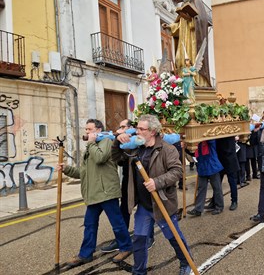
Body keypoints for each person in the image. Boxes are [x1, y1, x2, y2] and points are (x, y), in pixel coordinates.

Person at [111, 114, 192, 275]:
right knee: (139, 240)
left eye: (141, 129)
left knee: (174, 237)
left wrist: (157, 182)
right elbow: (116, 158)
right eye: (137, 128)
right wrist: (117, 140)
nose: (137, 132)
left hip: (162, 203)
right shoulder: (134, 147)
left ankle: (186, 263)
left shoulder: (167, 149)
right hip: (144, 205)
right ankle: (139, 271)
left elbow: (177, 171)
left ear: (153, 131)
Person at [57, 119, 133, 268]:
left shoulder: (106, 141)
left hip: (106, 192)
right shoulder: (90, 148)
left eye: (89, 129)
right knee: (89, 224)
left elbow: (100, 158)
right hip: (93, 193)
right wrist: (66, 169)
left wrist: (91, 142)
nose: (86, 132)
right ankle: (85, 254)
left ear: (98, 130)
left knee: (117, 223)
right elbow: (83, 172)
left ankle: (126, 247)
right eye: (85, 130)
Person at [101, 119, 155, 253]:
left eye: (123, 126)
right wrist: (117, 141)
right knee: (124, 210)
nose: (120, 129)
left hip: (144, 181)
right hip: (128, 181)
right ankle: (121, 240)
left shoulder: (140, 141)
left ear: (131, 128)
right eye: (120, 126)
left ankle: (149, 237)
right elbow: (118, 160)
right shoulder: (125, 143)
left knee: (148, 208)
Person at [162, 0, 210, 87]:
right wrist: (169, 26)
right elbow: (179, 26)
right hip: (184, 40)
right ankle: (184, 84)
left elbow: (202, 21)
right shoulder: (184, 5)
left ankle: (196, 82)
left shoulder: (197, 2)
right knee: (180, 60)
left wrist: (191, 19)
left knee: (192, 61)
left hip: (193, 41)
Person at [187, 140, 224, 216]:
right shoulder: (197, 143)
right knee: (201, 189)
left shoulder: (210, 140)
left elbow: (210, 139)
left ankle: (219, 206)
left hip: (212, 166)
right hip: (202, 167)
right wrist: (185, 147)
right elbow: (193, 153)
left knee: (217, 188)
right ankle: (198, 209)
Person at [216, 137, 241, 211]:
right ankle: (214, 200)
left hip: (230, 159)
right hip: (220, 158)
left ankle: (234, 201)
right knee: (217, 182)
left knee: (232, 182)